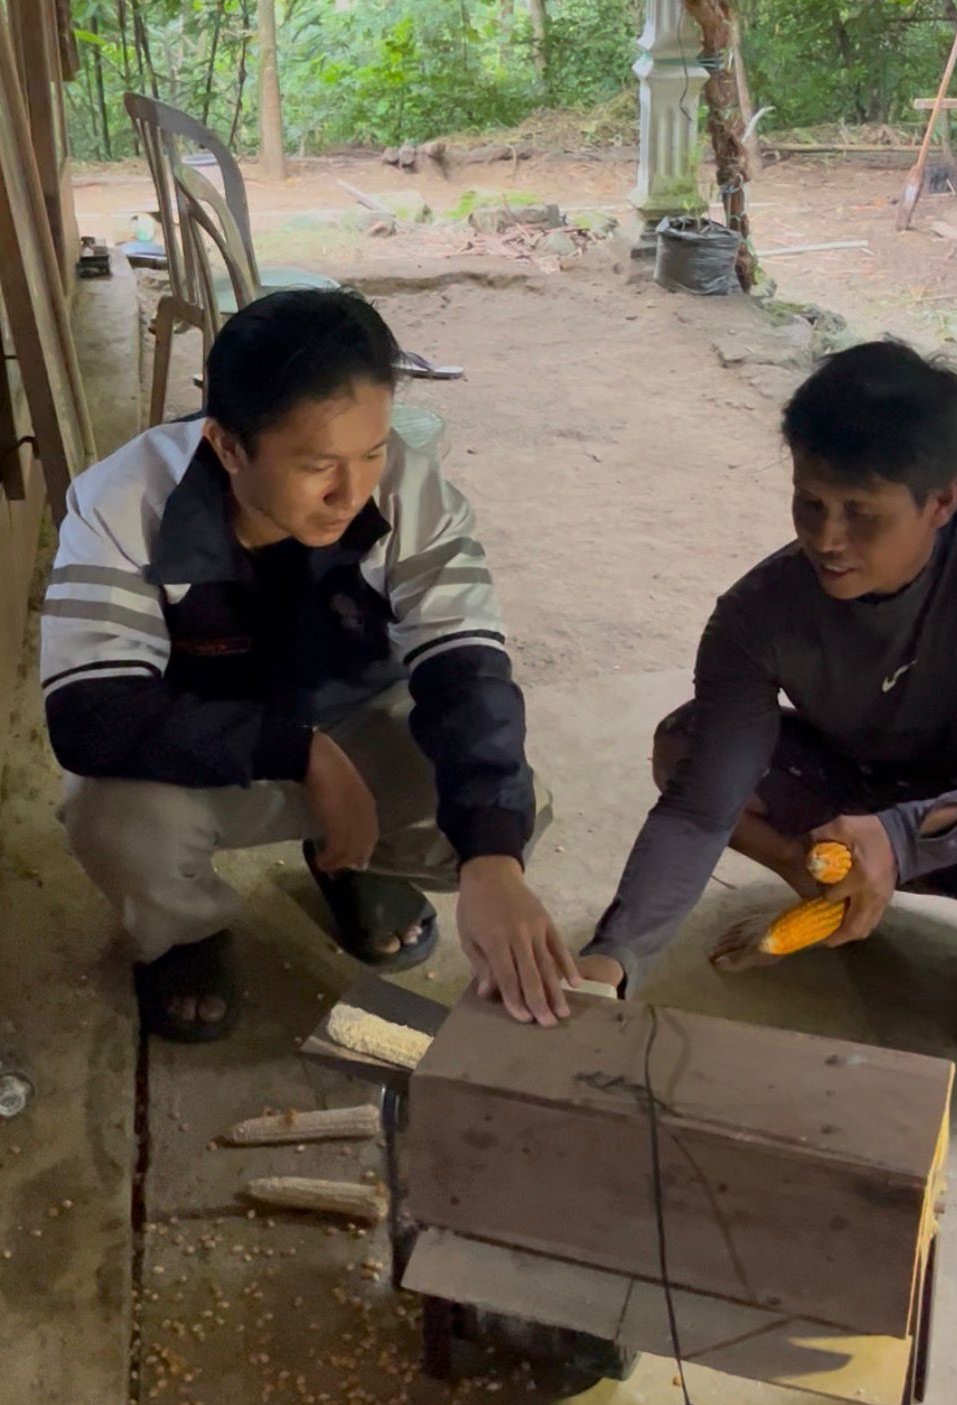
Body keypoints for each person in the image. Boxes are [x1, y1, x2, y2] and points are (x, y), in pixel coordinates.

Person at [41, 287, 578, 1040]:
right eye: (318, 464)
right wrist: (301, 753)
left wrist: (490, 858)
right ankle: (186, 934)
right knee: (115, 824)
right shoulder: (122, 502)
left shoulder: (406, 489)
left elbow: (466, 666)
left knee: (509, 802)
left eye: (371, 452)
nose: (352, 492)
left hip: (360, 727)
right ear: (227, 446)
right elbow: (89, 714)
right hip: (207, 754)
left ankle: (358, 866)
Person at [580, 340, 957, 1081]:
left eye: (862, 514)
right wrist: (612, 958)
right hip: (856, 806)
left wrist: (899, 837)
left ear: (943, 501)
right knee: (689, 746)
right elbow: (703, 810)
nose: (826, 540)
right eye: (810, 503)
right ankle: (833, 887)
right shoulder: (757, 616)